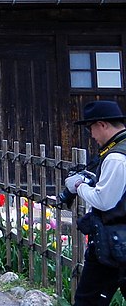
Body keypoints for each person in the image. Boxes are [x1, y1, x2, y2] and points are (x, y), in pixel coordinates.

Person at [64, 100, 126, 305]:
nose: (91, 135)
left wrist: (79, 185)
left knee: (87, 300)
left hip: (113, 242)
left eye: (91, 128)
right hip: (117, 241)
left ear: (102, 124)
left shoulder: (116, 157)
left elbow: (104, 200)